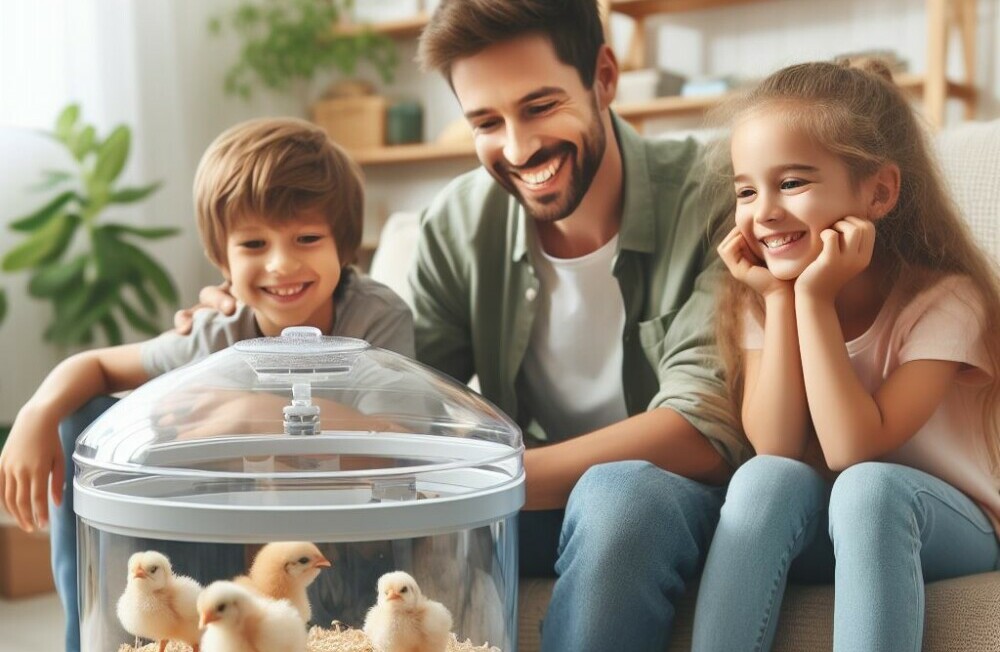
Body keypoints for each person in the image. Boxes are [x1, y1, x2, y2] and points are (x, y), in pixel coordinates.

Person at [180, 2, 752, 650]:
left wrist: (481, 477)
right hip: (524, 503)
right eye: (486, 121)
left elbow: (704, 429)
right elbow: (399, 403)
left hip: (662, 502)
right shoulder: (458, 221)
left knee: (619, 495)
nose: (517, 146)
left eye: (539, 107)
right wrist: (250, 332)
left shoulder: (710, 196)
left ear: (605, 76)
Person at [0, 117, 414, 652]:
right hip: (224, 553)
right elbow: (98, 367)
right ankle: (88, 641)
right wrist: (35, 416)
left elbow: (395, 444)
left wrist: (254, 412)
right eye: (253, 243)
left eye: (307, 238)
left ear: (345, 244)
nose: (281, 263)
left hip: (345, 555)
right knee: (79, 419)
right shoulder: (220, 330)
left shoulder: (376, 320)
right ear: (222, 259)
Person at [691, 59, 1000, 651]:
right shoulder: (762, 296)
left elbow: (852, 448)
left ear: (879, 192)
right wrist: (782, 302)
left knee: (869, 490)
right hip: (830, 522)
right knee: (761, 480)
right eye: (747, 191)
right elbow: (777, 446)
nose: (764, 213)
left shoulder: (946, 301)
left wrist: (813, 297)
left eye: (792, 184)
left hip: (941, 524)